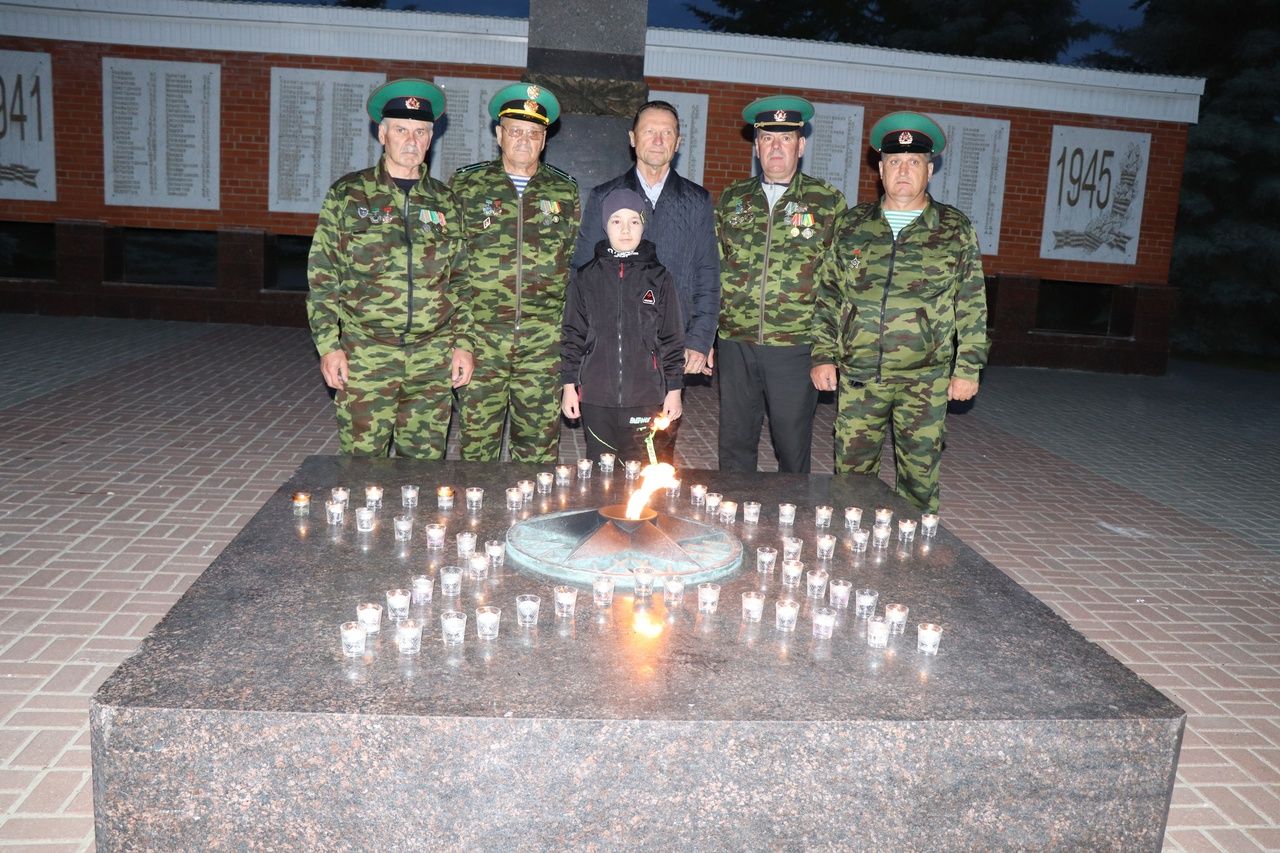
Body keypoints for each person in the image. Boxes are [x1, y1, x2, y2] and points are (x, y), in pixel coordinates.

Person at [811, 111, 989, 512]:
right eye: (894, 162)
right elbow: (829, 294)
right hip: (859, 376)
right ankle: (850, 549)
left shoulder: (953, 229)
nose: (903, 170)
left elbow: (972, 302)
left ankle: (917, 561)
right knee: (852, 478)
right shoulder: (852, 225)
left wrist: (968, 367)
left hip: (924, 380)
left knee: (919, 480)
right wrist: (823, 354)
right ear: (880, 168)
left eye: (913, 162)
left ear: (930, 168)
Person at [306, 78, 472, 458]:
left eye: (421, 131)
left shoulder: (447, 202)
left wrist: (463, 345)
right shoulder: (348, 195)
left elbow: (462, 281)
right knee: (362, 471)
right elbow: (323, 275)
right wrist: (329, 347)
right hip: (365, 356)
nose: (411, 140)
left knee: (423, 475)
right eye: (401, 130)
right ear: (382, 134)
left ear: (431, 138)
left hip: (432, 360)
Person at [714, 95, 846, 473]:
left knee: (791, 445)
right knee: (735, 442)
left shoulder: (827, 203)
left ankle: (792, 522)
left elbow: (837, 284)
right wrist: (705, 337)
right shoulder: (732, 200)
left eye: (785, 139)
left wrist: (826, 353)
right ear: (756, 146)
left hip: (796, 344)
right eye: (768, 138)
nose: (776, 147)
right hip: (736, 342)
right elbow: (714, 269)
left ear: (801, 145)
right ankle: (733, 514)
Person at [450, 82, 580, 463]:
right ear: (498, 135)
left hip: (542, 344)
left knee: (538, 450)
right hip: (482, 339)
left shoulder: (564, 191)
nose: (524, 140)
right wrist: (460, 339)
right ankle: (477, 520)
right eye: (515, 131)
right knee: (477, 448)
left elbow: (571, 264)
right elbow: (452, 266)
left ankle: (532, 522)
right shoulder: (466, 185)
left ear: (544, 140)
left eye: (534, 133)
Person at [572, 100, 719, 379]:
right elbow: (582, 272)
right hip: (610, 343)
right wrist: (582, 340)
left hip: (672, 342)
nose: (658, 140)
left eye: (667, 133)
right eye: (649, 131)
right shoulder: (604, 197)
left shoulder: (697, 201)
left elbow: (707, 275)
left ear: (678, 142)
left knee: (663, 421)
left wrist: (700, 340)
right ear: (632, 138)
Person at [562, 188, 685, 463]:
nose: (626, 230)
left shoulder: (659, 277)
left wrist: (674, 390)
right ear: (606, 225)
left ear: (644, 225)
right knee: (601, 473)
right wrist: (569, 385)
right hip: (596, 396)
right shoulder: (585, 277)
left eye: (634, 221)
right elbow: (572, 335)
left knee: (642, 473)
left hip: (645, 394)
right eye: (617, 221)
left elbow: (672, 338)